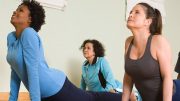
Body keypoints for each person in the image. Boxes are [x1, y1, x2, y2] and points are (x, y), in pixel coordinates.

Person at [7, 1, 122, 101]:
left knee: (91, 98)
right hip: (43, 93)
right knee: (89, 96)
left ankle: (127, 97)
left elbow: (32, 70)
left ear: (29, 19)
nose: (15, 11)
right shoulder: (11, 38)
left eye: (20, 10)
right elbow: (15, 72)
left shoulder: (28, 33)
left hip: (55, 87)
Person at [122, 2, 173, 101]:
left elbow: (167, 77)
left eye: (137, 12)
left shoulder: (158, 41)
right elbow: (128, 76)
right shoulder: (128, 42)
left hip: (172, 96)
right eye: (131, 12)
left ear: (148, 22)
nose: (131, 14)